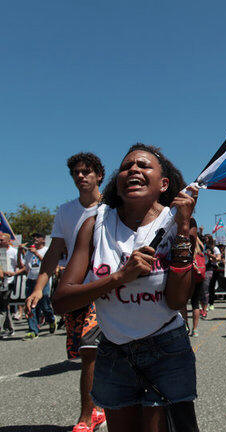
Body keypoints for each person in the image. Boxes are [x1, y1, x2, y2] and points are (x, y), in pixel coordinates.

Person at [52, 143, 199, 432]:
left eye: (143, 166)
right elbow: (61, 301)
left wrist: (183, 230)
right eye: (126, 167)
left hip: (166, 349)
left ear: (163, 184)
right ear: (117, 183)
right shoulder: (95, 224)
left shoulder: (179, 223)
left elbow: (177, 301)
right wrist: (120, 277)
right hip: (113, 351)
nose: (133, 170)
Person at [23, 153, 106, 431]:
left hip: (105, 287)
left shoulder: (112, 207)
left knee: (90, 347)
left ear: (99, 175)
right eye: (75, 173)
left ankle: (86, 417)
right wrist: (39, 287)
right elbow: (54, 252)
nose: (80, 176)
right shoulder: (65, 211)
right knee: (85, 351)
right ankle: (99, 407)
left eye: (86, 171)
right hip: (74, 289)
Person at [17, 233, 55, 339]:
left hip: (43, 281)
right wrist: (19, 252)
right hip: (31, 280)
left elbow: (49, 264)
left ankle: (51, 320)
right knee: (31, 305)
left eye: (38, 237)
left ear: (43, 240)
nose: (35, 239)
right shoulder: (29, 252)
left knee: (45, 305)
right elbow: (23, 267)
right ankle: (33, 330)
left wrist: (37, 254)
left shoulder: (47, 250)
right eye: (34, 237)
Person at [0, 233, 18, 338]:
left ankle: (7, 328)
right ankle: (9, 328)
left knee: (4, 306)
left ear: (8, 241)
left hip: (8, 283)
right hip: (1, 281)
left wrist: (14, 273)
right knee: (3, 307)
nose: (0, 242)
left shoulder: (13, 252)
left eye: (1, 240)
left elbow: (21, 266)